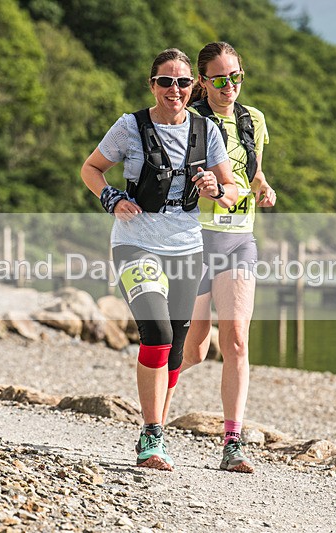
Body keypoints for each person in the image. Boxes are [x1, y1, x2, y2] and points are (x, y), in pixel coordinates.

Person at [81, 48, 237, 471]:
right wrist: (111, 197)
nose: (175, 90)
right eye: (166, 81)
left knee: (176, 349)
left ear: (195, 86)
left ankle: (157, 431)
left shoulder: (207, 131)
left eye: (183, 82)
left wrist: (216, 189)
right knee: (156, 331)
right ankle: (151, 435)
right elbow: (91, 169)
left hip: (187, 246)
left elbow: (233, 190)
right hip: (136, 242)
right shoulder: (130, 126)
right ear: (152, 85)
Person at [161, 42, 276, 473]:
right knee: (192, 350)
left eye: (238, 77)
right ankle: (154, 428)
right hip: (193, 241)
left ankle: (233, 444)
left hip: (239, 240)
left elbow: (254, 170)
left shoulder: (253, 120)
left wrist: (263, 187)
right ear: (203, 82)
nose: (231, 87)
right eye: (221, 79)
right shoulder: (188, 123)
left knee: (236, 343)